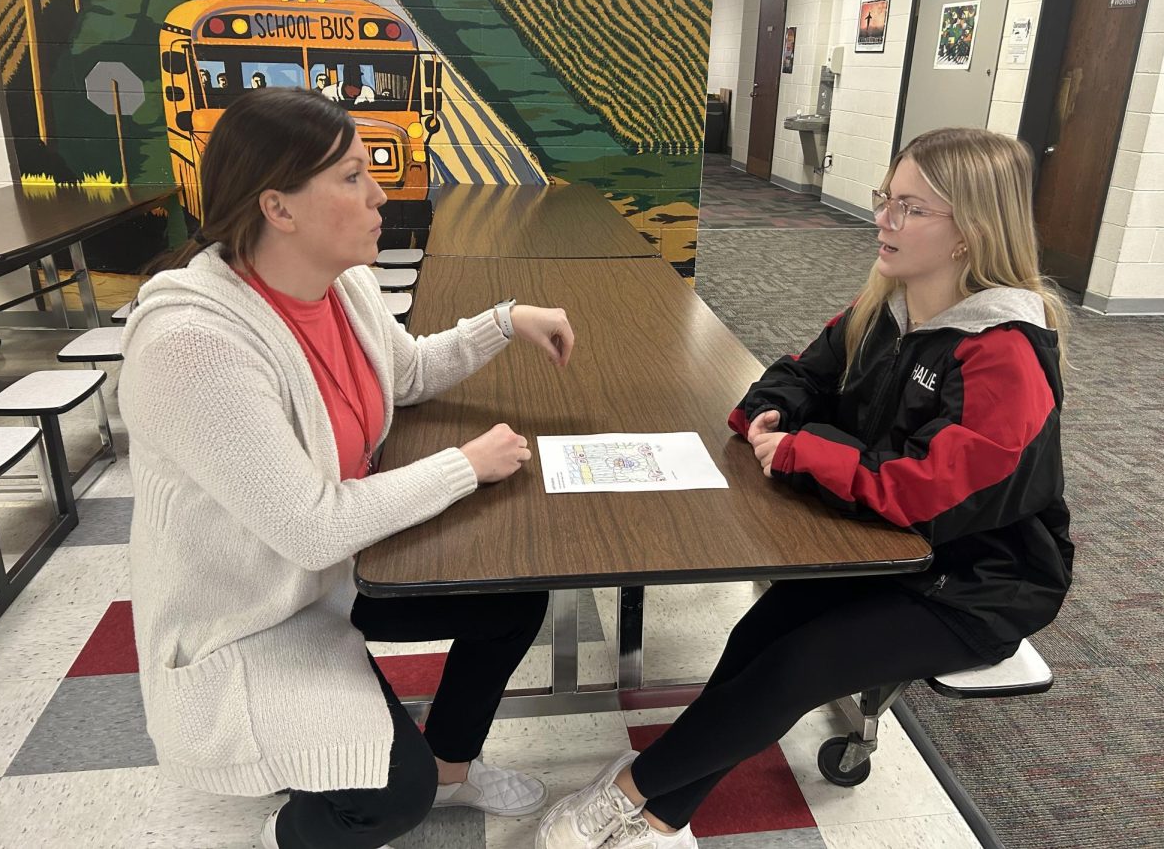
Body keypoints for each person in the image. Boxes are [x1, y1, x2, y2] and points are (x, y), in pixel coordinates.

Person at [536, 127, 1074, 849]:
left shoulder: (1005, 353)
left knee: (797, 666)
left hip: (978, 579)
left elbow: (926, 493)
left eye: (911, 208)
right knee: (758, 631)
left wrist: (798, 453)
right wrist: (771, 414)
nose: (882, 218)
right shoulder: (889, 306)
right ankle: (669, 810)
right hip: (879, 542)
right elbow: (803, 371)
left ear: (969, 234)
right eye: (888, 198)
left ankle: (628, 789)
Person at [119, 87, 575, 849]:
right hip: (255, 608)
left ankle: (453, 768)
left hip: (339, 574)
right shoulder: (193, 345)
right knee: (393, 798)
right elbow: (309, 527)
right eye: (354, 176)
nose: (379, 192)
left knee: (512, 597)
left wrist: (505, 320)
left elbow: (407, 373)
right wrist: (466, 465)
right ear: (279, 208)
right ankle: (288, 835)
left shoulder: (341, 283)